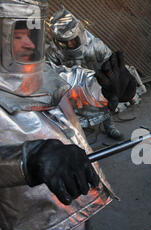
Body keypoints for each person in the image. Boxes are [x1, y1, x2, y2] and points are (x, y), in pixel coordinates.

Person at [0, 0, 136, 230]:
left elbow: (69, 82)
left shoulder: (36, 69)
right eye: (18, 30)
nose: (28, 41)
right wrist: (29, 160)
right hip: (36, 226)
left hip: (77, 198)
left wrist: (105, 87)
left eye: (33, 30)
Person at [46, 8, 125, 140]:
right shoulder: (54, 52)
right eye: (65, 42)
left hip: (96, 84)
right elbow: (51, 75)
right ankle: (79, 137)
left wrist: (114, 92)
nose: (69, 44)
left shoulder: (96, 45)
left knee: (104, 104)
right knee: (73, 115)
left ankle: (110, 127)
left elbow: (112, 65)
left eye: (72, 40)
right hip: (73, 91)